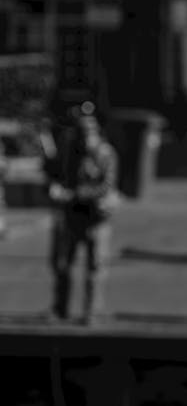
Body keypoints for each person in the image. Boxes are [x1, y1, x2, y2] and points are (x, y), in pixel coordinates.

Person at [46, 104, 118, 323]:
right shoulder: (69, 152)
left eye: (89, 130)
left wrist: (73, 194)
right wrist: (55, 188)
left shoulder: (106, 154)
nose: (85, 135)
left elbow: (106, 186)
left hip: (96, 218)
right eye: (81, 130)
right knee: (62, 265)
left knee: (95, 267)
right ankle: (60, 309)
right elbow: (56, 175)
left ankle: (92, 312)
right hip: (72, 216)